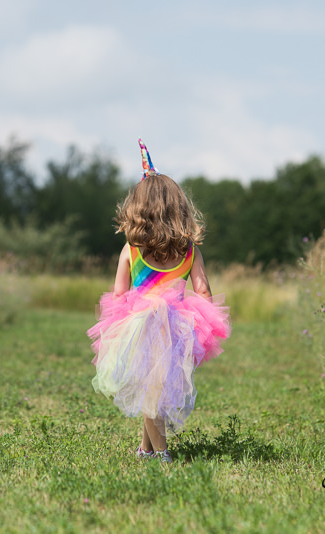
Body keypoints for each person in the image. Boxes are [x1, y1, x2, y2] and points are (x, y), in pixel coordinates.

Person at [88, 139, 231, 463]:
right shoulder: (190, 251)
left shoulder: (131, 249)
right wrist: (199, 326)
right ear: (178, 209)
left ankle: (158, 452)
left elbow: (119, 294)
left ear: (138, 210)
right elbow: (204, 291)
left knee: (151, 385)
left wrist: (120, 323)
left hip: (138, 326)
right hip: (176, 326)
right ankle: (150, 450)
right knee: (155, 385)